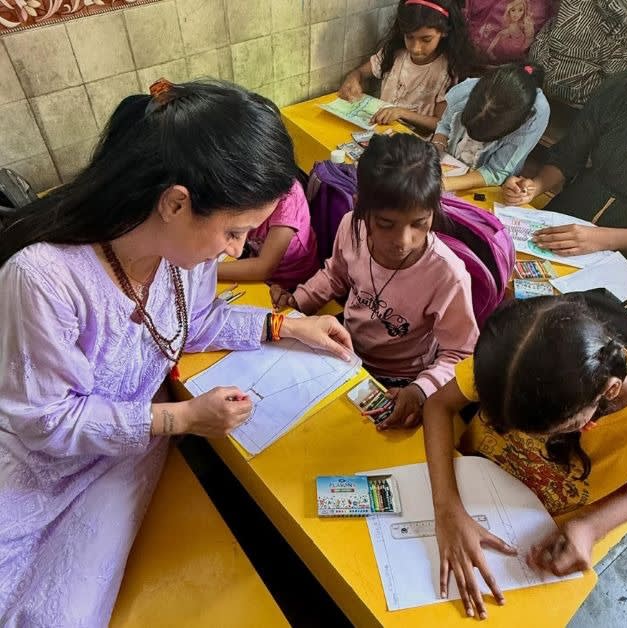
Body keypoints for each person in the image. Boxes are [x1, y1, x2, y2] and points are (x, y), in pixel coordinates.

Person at [0, 80, 353, 625]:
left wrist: (289, 323)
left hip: (121, 456)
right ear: (175, 202)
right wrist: (182, 417)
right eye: (235, 232)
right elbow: (45, 421)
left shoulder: (186, 254)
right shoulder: (44, 278)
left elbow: (194, 322)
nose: (238, 251)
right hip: (42, 462)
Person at [422, 292, 627, 619]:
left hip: (535, 546)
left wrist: (591, 525)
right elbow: (438, 405)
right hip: (468, 491)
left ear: (609, 390)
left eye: (558, 428)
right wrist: (446, 505)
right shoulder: (513, 358)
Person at [271, 133, 477, 428]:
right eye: (386, 224)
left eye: (419, 223)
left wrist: (420, 391)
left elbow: (460, 351)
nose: (403, 241)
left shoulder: (447, 274)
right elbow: (335, 275)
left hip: (401, 378)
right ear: (361, 208)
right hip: (344, 345)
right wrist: (298, 300)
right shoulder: (350, 226)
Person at [501, 67, 627, 272]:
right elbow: (569, 155)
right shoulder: (625, 86)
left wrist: (605, 239)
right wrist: (534, 187)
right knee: (512, 265)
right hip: (574, 207)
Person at [338, 0, 475, 133]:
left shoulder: (447, 71)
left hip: (411, 146)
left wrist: (402, 113)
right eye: (409, 37)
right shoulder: (395, 53)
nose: (415, 48)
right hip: (379, 132)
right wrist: (353, 78)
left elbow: (440, 124)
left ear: (444, 33)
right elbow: (361, 72)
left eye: (426, 39)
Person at [432, 63, 550, 193]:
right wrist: (434, 153)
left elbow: (496, 171)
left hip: (483, 186)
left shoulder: (534, 116)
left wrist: (440, 185)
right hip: (449, 168)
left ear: (511, 128)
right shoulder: (467, 90)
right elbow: (444, 126)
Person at [216, 179, 319, 290]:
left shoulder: (289, 197)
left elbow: (264, 268)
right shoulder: (239, 185)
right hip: (256, 270)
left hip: (294, 285)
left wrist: (208, 271)